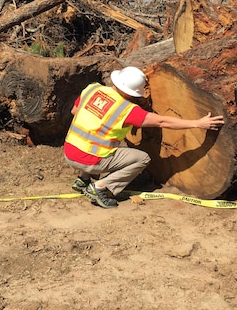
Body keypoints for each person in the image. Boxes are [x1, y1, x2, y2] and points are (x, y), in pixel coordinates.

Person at [64, 66, 225, 209]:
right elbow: (162, 121)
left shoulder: (92, 89)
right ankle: (100, 187)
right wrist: (197, 123)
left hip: (69, 152)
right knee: (142, 158)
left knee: (93, 142)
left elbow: (74, 111)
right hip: (90, 160)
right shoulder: (126, 110)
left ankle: (82, 180)